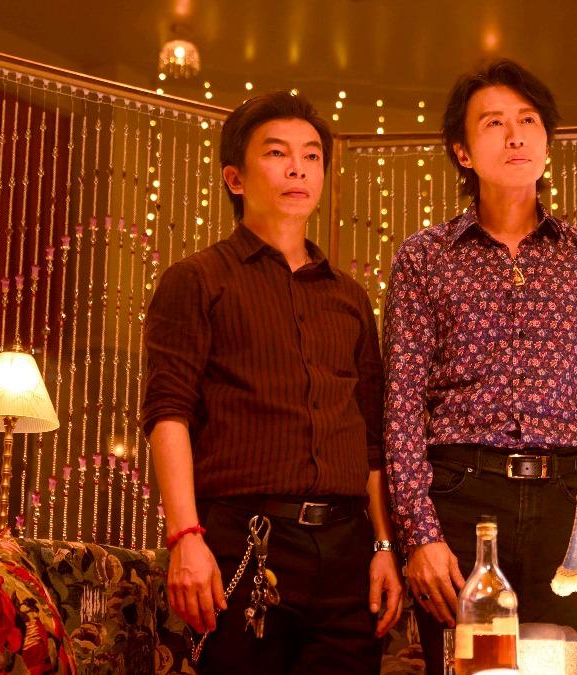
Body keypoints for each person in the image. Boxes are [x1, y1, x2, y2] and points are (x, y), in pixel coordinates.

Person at [383, 59, 577, 674]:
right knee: (468, 669)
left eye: (528, 120)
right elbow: (401, 405)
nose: (515, 136)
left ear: (546, 140)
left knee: (575, 663)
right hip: (461, 494)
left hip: (571, 501)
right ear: (462, 152)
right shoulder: (424, 257)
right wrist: (420, 534)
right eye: (493, 123)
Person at [142, 91, 402, 675]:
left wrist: (384, 546)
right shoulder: (197, 280)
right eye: (277, 153)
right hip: (244, 538)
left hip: (347, 549)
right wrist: (185, 536)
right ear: (235, 178)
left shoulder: (349, 297)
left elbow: (371, 439)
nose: (297, 169)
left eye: (311, 156)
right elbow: (167, 412)